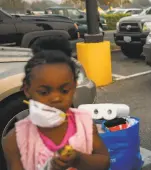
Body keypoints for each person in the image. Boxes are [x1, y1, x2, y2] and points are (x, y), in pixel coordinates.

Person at [2, 36, 110, 170]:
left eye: (64, 90)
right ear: (27, 90)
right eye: (44, 92)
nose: (56, 98)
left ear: (74, 87)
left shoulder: (84, 124)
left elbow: (104, 162)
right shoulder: (15, 139)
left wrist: (78, 159)